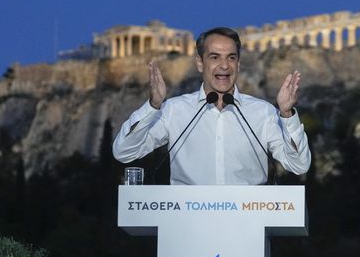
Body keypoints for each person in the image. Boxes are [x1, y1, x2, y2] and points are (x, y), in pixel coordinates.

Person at [112, 26, 311, 184]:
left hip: (248, 227)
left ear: (239, 64)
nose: (224, 65)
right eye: (214, 57)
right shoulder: (174, 110)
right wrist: (153, 106)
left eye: (231, 58)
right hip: (185, 226)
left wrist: (286, 114)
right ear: (200, 63)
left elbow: (299, 166)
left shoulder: (263, 113)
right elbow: (124, 152)